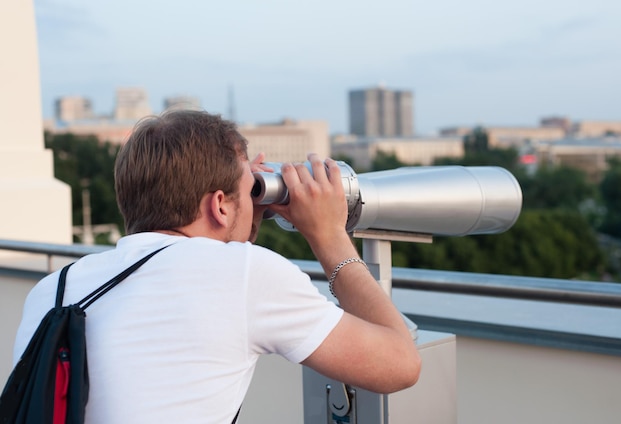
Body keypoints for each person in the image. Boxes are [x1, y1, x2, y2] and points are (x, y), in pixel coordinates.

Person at [13, 110, 421, 423]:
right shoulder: (243, 273)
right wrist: (328, 233)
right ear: (220, 205)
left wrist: (242, 200)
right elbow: (400, 364)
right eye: (251, 192)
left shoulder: (53, 289)